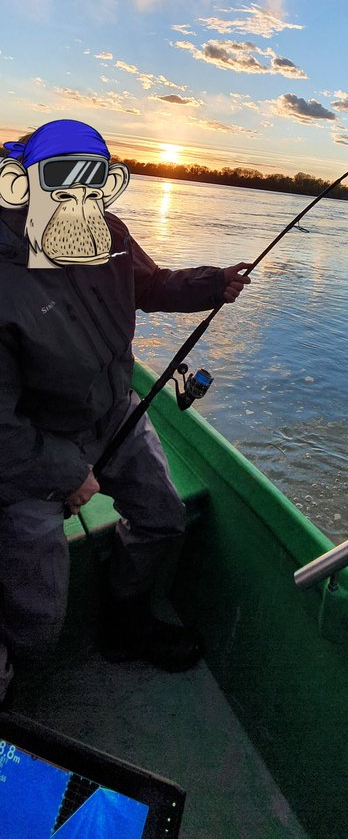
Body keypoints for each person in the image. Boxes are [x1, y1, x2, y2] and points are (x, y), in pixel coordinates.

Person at [0, 120, 251, 701]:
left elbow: (152, 285)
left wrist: (212, 284)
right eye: (62, 179)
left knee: (163, 514)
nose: (80, 197)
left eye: (95, 180)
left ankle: (124, 624)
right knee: (39, 611)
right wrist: (65, 473)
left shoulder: (107, 234)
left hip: (115, 412)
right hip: (31, 447)